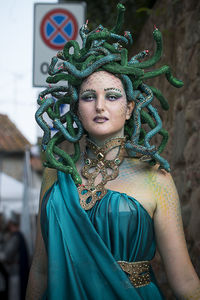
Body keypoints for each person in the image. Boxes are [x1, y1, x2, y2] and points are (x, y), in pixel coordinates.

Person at [26, 3, 200, 299]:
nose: (100, 106)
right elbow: (41, 269)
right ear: (77, 108)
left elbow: (184, 281)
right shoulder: (57, 175)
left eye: (113, 96)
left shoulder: (155, 179)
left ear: (130, 108)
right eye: (89, 97)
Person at [0, 211, 29, 300]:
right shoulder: (17, 236)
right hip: (15, 272)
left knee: (15, 296)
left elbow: (6, 255)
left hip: (15, 273)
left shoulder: (16, 237)